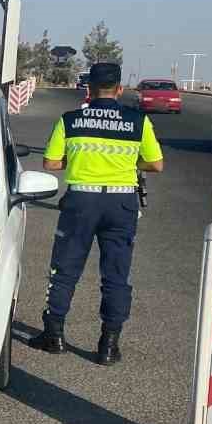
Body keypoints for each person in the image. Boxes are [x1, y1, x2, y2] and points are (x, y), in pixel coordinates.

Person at [28, 61, 163, 364]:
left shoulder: (70, 120)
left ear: (88, 89)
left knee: (65, 269)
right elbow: (156, 164)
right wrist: (129, 165)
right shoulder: (137, 121)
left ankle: (54, 335)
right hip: (121, 204)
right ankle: (108, 345)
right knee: (116, 274)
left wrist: (77, 161)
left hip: (81, 202)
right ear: (119, 89)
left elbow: (50, 163)